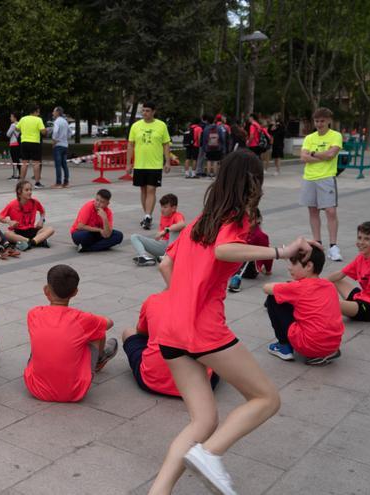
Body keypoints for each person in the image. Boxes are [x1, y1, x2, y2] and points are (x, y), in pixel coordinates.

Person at [148, 150, 314, 495]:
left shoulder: (198, 223)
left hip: (170, 330)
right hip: (203, 331)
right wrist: (281, 253)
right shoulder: (234, 220)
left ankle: (159, 492)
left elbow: (166, 263)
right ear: (253, 183)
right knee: (266, 399)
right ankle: (210, 454)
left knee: (204, 421)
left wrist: (185, 295)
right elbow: (225, 251)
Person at [24, 264, 117, 402]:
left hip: (35, 388)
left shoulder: (33, 313)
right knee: (98, 332)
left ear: (46, 290)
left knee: (48, 339)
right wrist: (93, 320)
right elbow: (109, 323)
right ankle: (99, 359)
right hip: (74, 391)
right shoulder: (83, 319)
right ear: (75, 292)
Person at [122, 292, 218, 397]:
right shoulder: (209, 304)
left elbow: (141, 333)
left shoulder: (154, 300)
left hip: (152, 383)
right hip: (201, 387)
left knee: (128, 332)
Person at [263, 245, 345, 365]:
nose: (289, 268)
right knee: (294, 301)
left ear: (309, 266)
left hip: (309, 345)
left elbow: (266, 288)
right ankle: (325, 352)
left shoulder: (298, 287)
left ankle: (284, 346)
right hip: (333, 344)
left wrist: (286, 285)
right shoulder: (329, 285)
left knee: (273, 298)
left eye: (293, 264)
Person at [300, 107, 344, 261]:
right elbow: (303, 158)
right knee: (313, 211)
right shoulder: (309, 138)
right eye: (317, 121)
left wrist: (312, 154)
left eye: (322, 121)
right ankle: (317, 243)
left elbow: (332, 154)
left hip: (326, 178)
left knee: (330, 211)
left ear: (329, 121)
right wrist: (321, 156)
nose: (319, 124)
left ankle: (333, 246)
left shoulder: (336, 136)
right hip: (309, 177)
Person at [127, 102, 171, 230]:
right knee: (143, 190)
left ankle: (147, 216)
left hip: (155, 164)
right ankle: (147, 215)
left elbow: (166, 144)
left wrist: (167, 161)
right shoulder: (135, 126)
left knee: (151, 189)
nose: (144, 113)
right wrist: (128, 163)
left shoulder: (161, 125)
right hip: (140, 164)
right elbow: (130, 145)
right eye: (143, 110)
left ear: (153, 112)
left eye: (147, 111)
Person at [0, 180, 55, 251]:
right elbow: (0, 217)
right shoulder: (12, 204)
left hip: (31, 230)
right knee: (7, 234)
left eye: (30, 190)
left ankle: (30, 243)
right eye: (27, 190)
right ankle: (38, 241)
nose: (30, 192)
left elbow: (42, 211)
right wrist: (9, 221)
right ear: (19, 191)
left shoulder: (35, 202)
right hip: (18, 232)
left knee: (51, 229)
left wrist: (41, 220)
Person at [131, 193, 186, 266]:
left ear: (173, 208)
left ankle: (168, 257)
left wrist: (166, 230)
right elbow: (161, 236)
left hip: (175, 247)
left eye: (165, 207)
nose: (162, 209)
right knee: (134, 237)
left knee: (174, 229)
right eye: (161, 207)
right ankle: (144, 257)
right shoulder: (163, 216)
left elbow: (182, 224)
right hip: (163, 246)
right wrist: (159, 236)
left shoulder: (177, 215)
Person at [227, 223, 273, 292]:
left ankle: (236, 279)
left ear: (257, 220)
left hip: (250, 269)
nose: (247, 221)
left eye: (250, 218)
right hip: (234, 264)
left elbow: (268, 253)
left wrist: (268, 270)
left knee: (248, 253)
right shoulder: (239, 231)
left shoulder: (261, 236)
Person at [16, 106, 47, 187]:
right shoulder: (38, 119)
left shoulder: (23, 119)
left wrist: (24, 130)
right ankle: (37, 183)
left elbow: (16, 129)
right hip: (35, 143)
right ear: (35, 112)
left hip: (24, 142)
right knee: (36, 163)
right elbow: (43, 132)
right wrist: (45, 131)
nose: (39, 113)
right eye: (38, 112)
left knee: (24, 163)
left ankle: (21, 182)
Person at [51, 106, 70, 188]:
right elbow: (70, 132)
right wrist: (64, 138)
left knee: (58, 165)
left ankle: (58, 183)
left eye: (54, 111)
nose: (53, 113)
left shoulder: (57, 122)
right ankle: (66, 182)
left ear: (58, 112)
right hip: (65, 145)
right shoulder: (65, 121)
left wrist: (54, 141)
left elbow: (55, 132)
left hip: (58, 145)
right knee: (64, 164)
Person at [6, 113, 21, 180]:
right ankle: (20, 173)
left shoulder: (13, 125)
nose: (10, 118)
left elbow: (8, 134)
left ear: (15, 118)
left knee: (14, 160)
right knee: (17, 159)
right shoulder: (20, 124)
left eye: (11, 117)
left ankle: (15, 175)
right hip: (19, 143)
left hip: (13, 143)